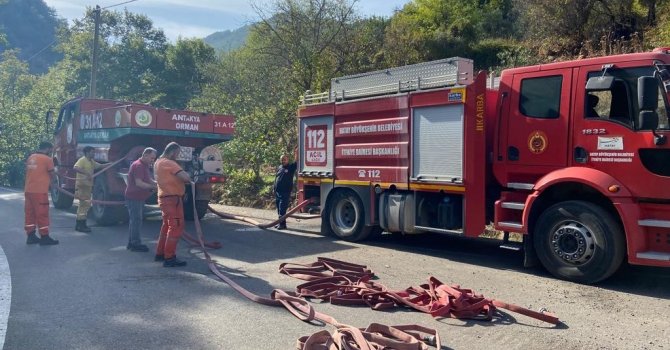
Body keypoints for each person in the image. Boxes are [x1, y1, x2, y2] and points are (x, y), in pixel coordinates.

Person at [154, 142, 191, 267]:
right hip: (172, 200)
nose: (177, 155)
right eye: (177, 153)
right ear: (173, 151)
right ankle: (169, 257)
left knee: (166, 226)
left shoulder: (158, 162)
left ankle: (160, 253)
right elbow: (185, 177)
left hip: (165, 199)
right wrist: (189, 176)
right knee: (175, 227)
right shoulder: (169, 163)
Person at [24, 141, 59, 245]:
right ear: (48, 148)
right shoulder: (47, 159)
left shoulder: (31, 157)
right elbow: (52, 174)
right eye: (51, 150)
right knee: (42, 213)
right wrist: (54, 184)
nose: (51, 152)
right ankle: (44, 237)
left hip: (28, 189)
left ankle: (30, 236)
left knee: (30, 213)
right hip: (39, 191)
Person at [124, 147, 158, 252]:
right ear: (145, 155)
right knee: (136, 221)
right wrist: (154, 187)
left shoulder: (144, 165)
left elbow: (148, 179)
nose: (153, 160)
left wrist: (157, 184)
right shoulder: (138, 166)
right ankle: (135, 244)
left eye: (154, 158)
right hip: (134, 197)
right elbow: (139, 183)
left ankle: (131, 243)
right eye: (152, 158)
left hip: (138, 197)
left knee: (135, 221)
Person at [73, 146, 105, 233]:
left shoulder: (91, 162)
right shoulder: (82, 160)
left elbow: (100, 166)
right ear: (87, 152)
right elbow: (75, 167)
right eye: (92, 152)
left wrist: (112, 164)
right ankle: (80, 225)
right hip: (82, 186)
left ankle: (81, 224)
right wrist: (86, 173)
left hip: (87, 186)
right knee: (83, 205)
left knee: (85, 205)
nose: (93, 154)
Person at [272, 150, 297, 230]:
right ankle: (281, 223)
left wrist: (296, 152)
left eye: (285, 159)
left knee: (282, 209)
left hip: (285, 192)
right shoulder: (280, 167)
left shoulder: (291, 167)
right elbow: (276, 178)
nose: (283, 161)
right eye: (282, 159)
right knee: (279, 209)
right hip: (278, 192)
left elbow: (297, 161)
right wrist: (274, 189)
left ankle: (282, 225)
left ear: (288, 160)